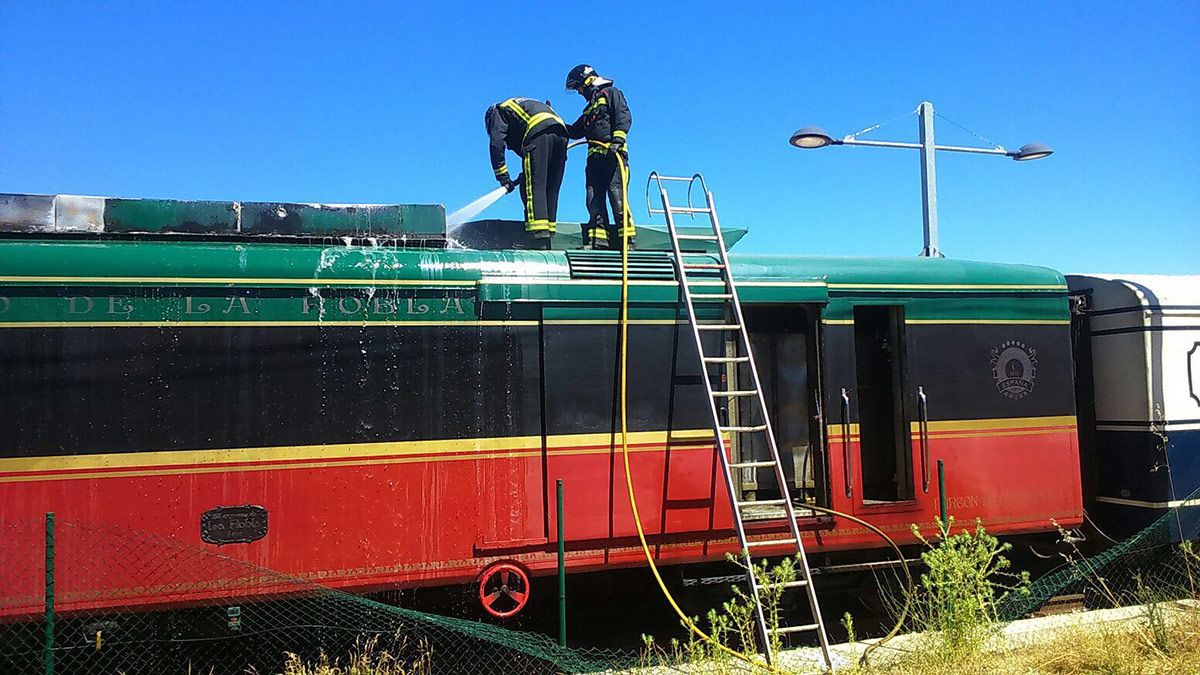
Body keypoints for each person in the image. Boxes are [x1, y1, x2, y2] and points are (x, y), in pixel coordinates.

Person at [564, 64, 633, 250]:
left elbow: (623, 116)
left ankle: (626, 242)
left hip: (614, 159)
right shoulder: (589, 110)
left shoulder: (611, 93)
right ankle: (600, 241)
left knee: (617, 198)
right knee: (593, 200)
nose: (579, 92)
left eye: (578, 87)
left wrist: (618, 139)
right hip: (594, 163)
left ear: (587, 80)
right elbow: (575, 131)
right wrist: (555, 120)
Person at [485, 98, 568, 249]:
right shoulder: (523, 107)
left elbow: (497, 143)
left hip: (537, 133)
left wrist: (503, 177)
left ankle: (539, 236)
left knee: (536, 187)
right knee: (551, 189)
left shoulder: (498, 111)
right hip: (561, 135)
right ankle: (548, 235)